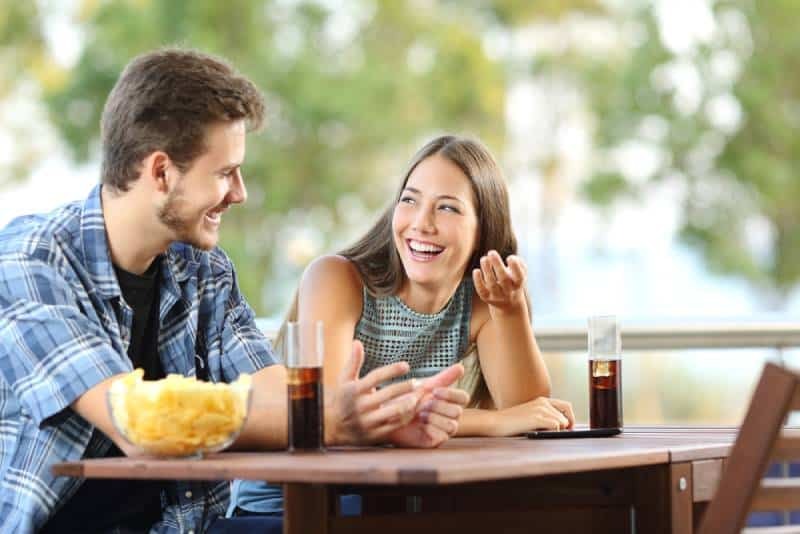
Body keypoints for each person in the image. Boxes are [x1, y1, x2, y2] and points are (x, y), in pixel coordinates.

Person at [0, 48, 469, 534]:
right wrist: (324, 421)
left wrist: (379, 420)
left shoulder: (203, 267)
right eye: (225, 173)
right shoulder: (30, 261)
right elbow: (136, 421)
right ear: (160, 172)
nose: (240, 192)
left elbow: (270, 392)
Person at [230, 135, 575, 515]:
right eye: (409, 200)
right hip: (290, 505)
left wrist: (510, 313)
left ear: (483, 228)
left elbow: (528, 411)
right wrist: (491, 423)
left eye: (447, 208)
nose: (421, 223)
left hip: (390, 500)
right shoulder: (337, 278)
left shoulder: (480, 300)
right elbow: (334, 415)